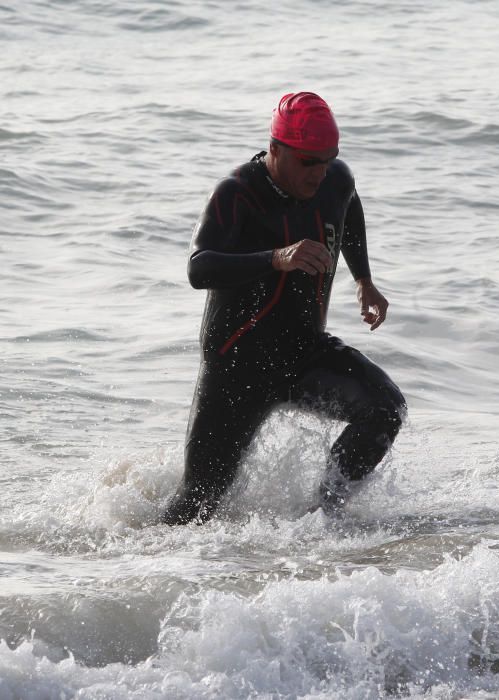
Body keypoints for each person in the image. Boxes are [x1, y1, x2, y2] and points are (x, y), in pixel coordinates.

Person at [160, 92, 406, 525]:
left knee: (384, 410)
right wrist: (276, 258)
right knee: (196, 506)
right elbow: (199, 268)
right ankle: (131, 565)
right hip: (236, 370)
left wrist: (363, 279)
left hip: (304, 355)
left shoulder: (334, 180)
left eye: (328, 160)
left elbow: (348, 206)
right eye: (308, 161)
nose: (320, 173)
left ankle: (322, 517)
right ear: (276, 149)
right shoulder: (236, 194)